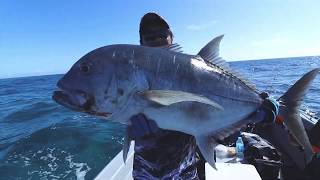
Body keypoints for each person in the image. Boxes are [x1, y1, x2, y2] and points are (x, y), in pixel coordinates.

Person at [128, 12, 204, 180]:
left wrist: (263, 103)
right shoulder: (133, 74)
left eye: (162, 35)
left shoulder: (193, 70)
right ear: (141, 44)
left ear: (171, 38)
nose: (156, 40)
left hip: (185, 171)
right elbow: (124, 108)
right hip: (145, 173)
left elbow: (226, 91)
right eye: (150, 37)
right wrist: (131, 130)